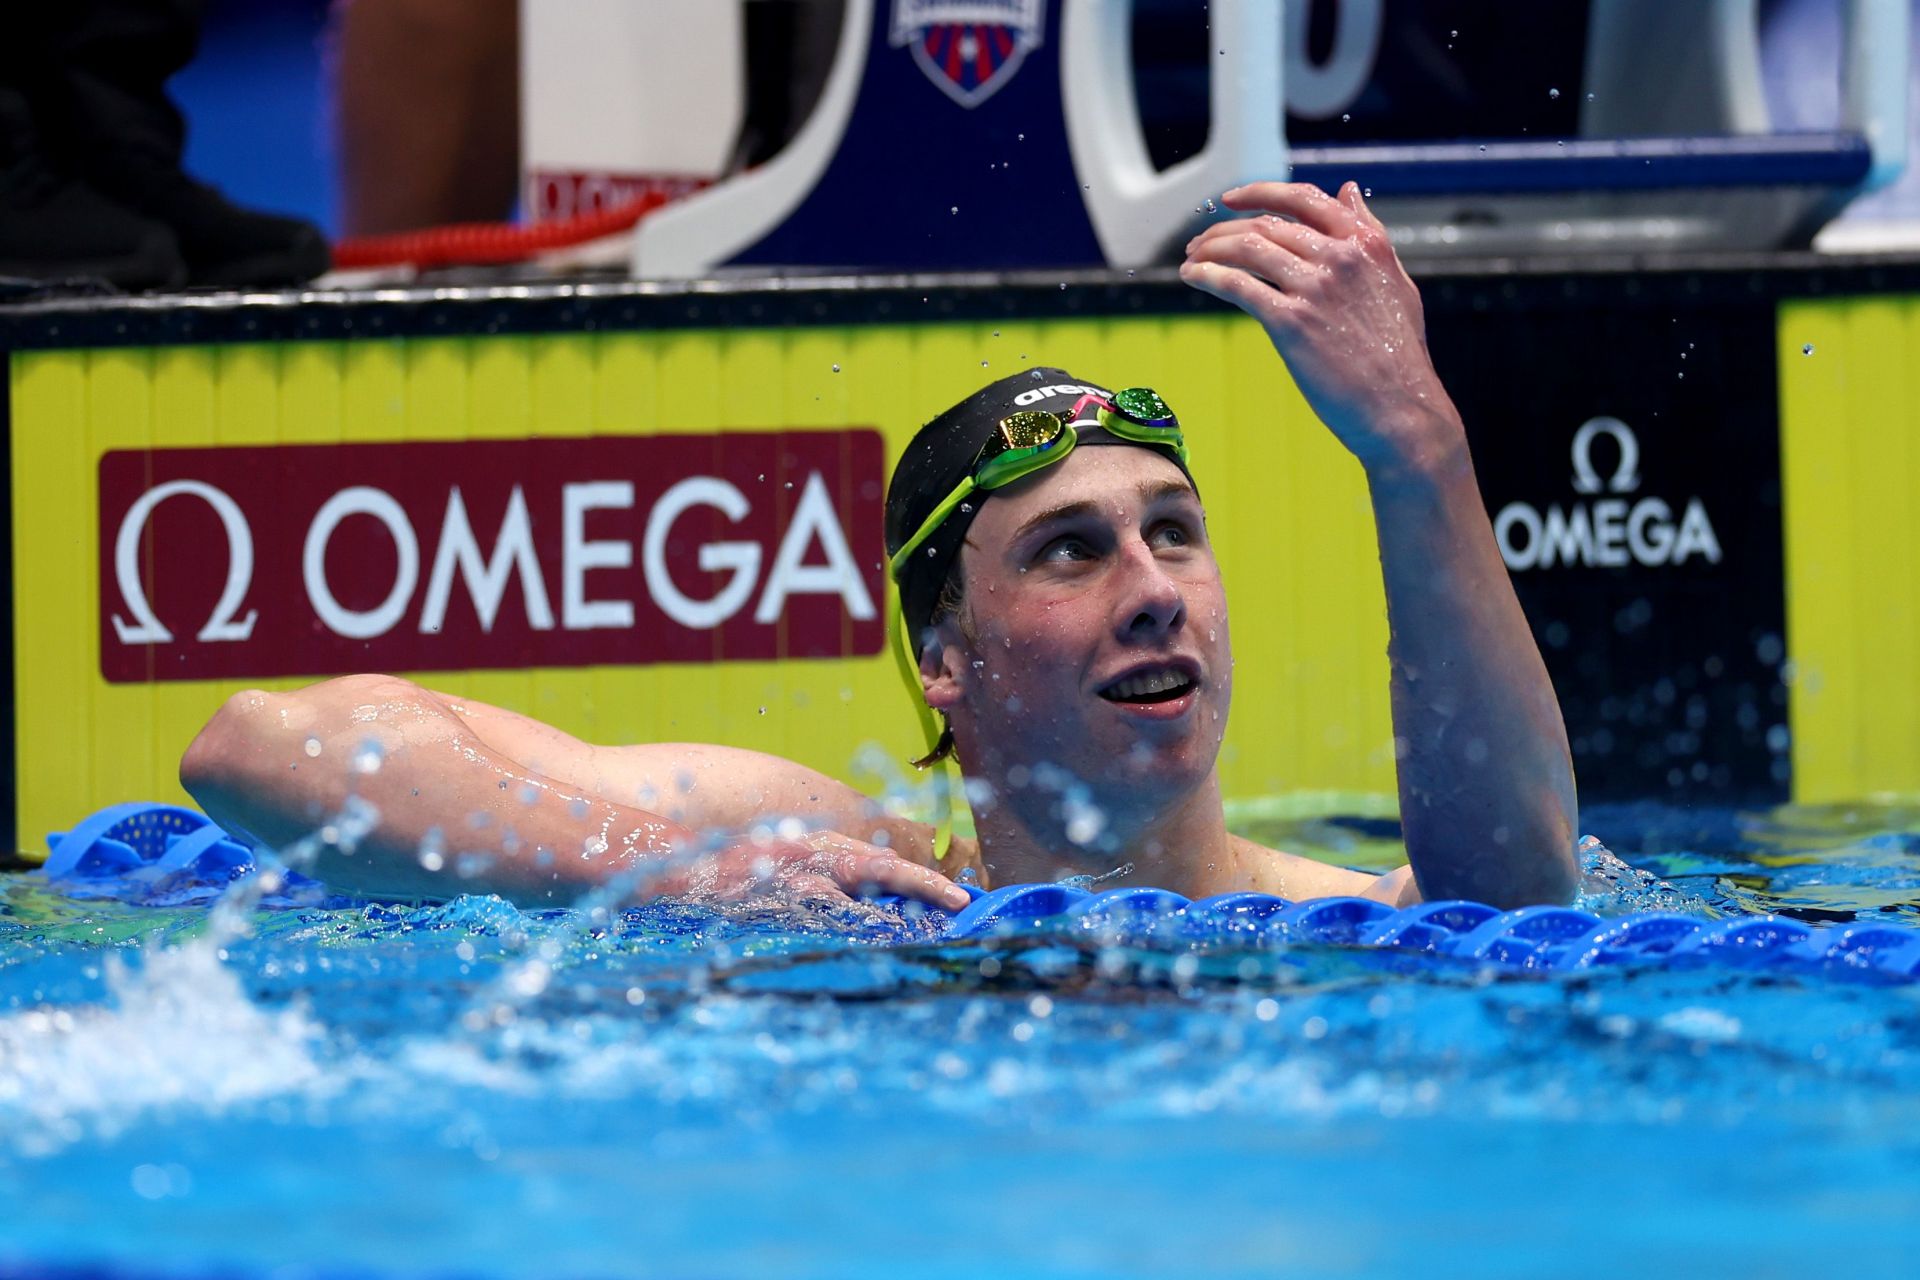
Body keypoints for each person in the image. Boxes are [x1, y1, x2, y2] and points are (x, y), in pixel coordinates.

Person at [179, 181, 1580, 913]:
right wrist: (661, 867)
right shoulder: (843, 870)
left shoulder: (1331, 919)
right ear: (946, 660)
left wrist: (1420, 453)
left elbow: (1516, 904)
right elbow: (260, 746)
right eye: (1069, 551)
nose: (1154, 592)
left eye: (1173, 537)